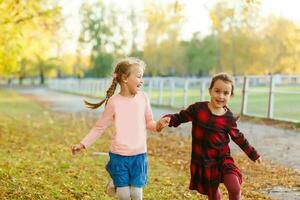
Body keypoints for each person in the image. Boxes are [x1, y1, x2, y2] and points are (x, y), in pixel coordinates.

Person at [72, 57, 165, 200]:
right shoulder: (114, 102)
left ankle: (115, 181)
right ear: (125, 78)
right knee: (124, 195)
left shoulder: (143, 98)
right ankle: (116, 182)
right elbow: (99, 127)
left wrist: (158, 126)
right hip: (119, 156)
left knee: (136, 194)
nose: (142, 80)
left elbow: (149, 122)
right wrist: (83, 143)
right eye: (139, 76)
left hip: (139, 156)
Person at [159, 73, 262, 200]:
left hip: (223, 159)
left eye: (226, 93)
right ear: (210, 91)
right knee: (214, 195)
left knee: (235, 188)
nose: (221, 96)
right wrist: (168, 119)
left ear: (230, 95)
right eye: (217, 91)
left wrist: (253, 154)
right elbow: (180, 117)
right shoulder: (198, 109)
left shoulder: (228, 118)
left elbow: (239, 137)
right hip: (204, 161)